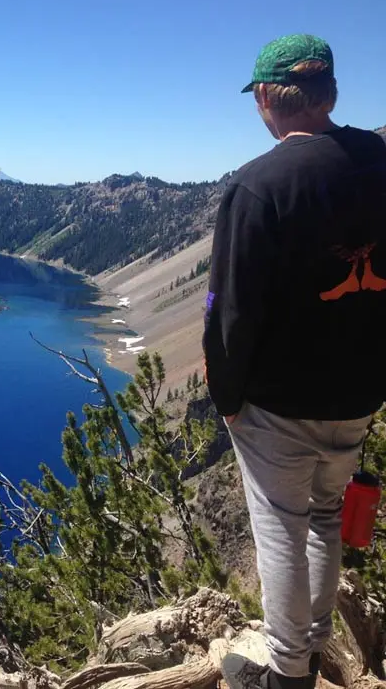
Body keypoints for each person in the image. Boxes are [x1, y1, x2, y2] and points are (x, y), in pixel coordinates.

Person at [204, 34, 386, 689]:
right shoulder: (380, 161)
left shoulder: (261, 186)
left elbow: (231, 311)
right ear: (330, 93)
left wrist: (227, 397)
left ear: (264, 99)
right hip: (360, 394)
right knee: (325, 517)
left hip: (280, 404)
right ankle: (308, 651)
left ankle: (286, 675)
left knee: (282, 532)